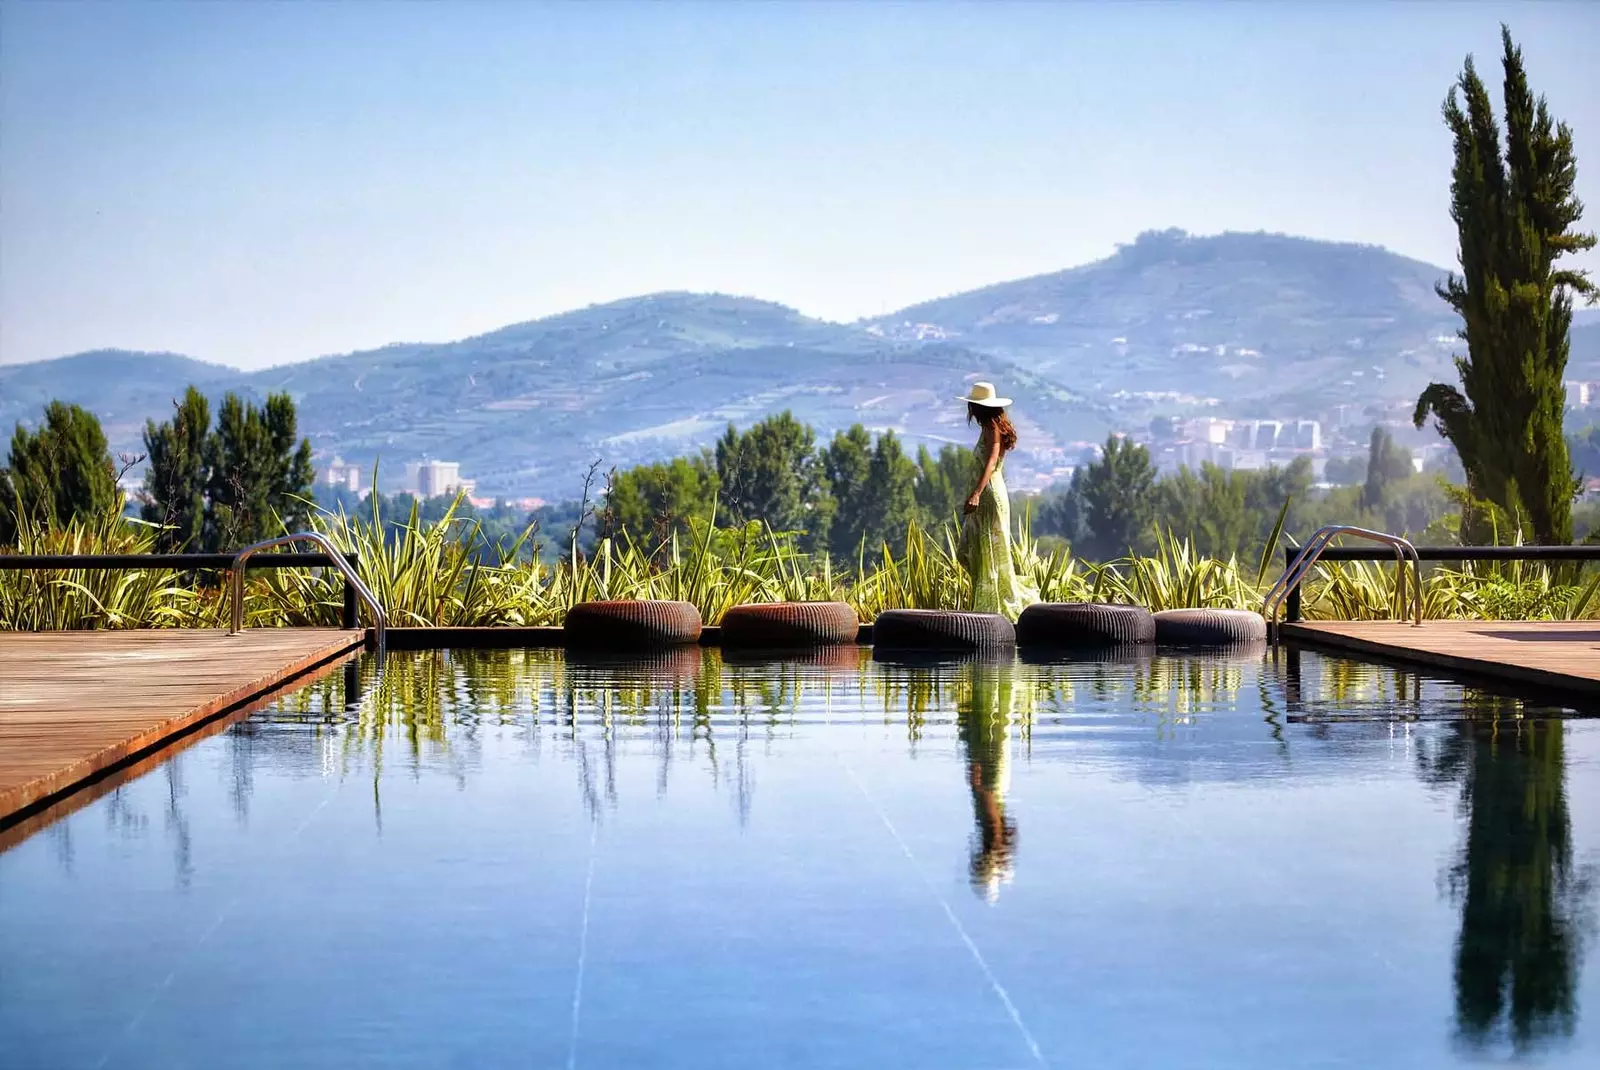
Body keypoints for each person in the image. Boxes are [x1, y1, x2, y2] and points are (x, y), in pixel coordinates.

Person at [956, 381, 1038, 619]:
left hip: (989, 494)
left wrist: (977, 493)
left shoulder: (992, 428)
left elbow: (991, 462)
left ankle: (993, 607)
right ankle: (987, 604)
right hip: (988, 493)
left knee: (986, 548)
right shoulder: (989, 428)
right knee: (974, 549)